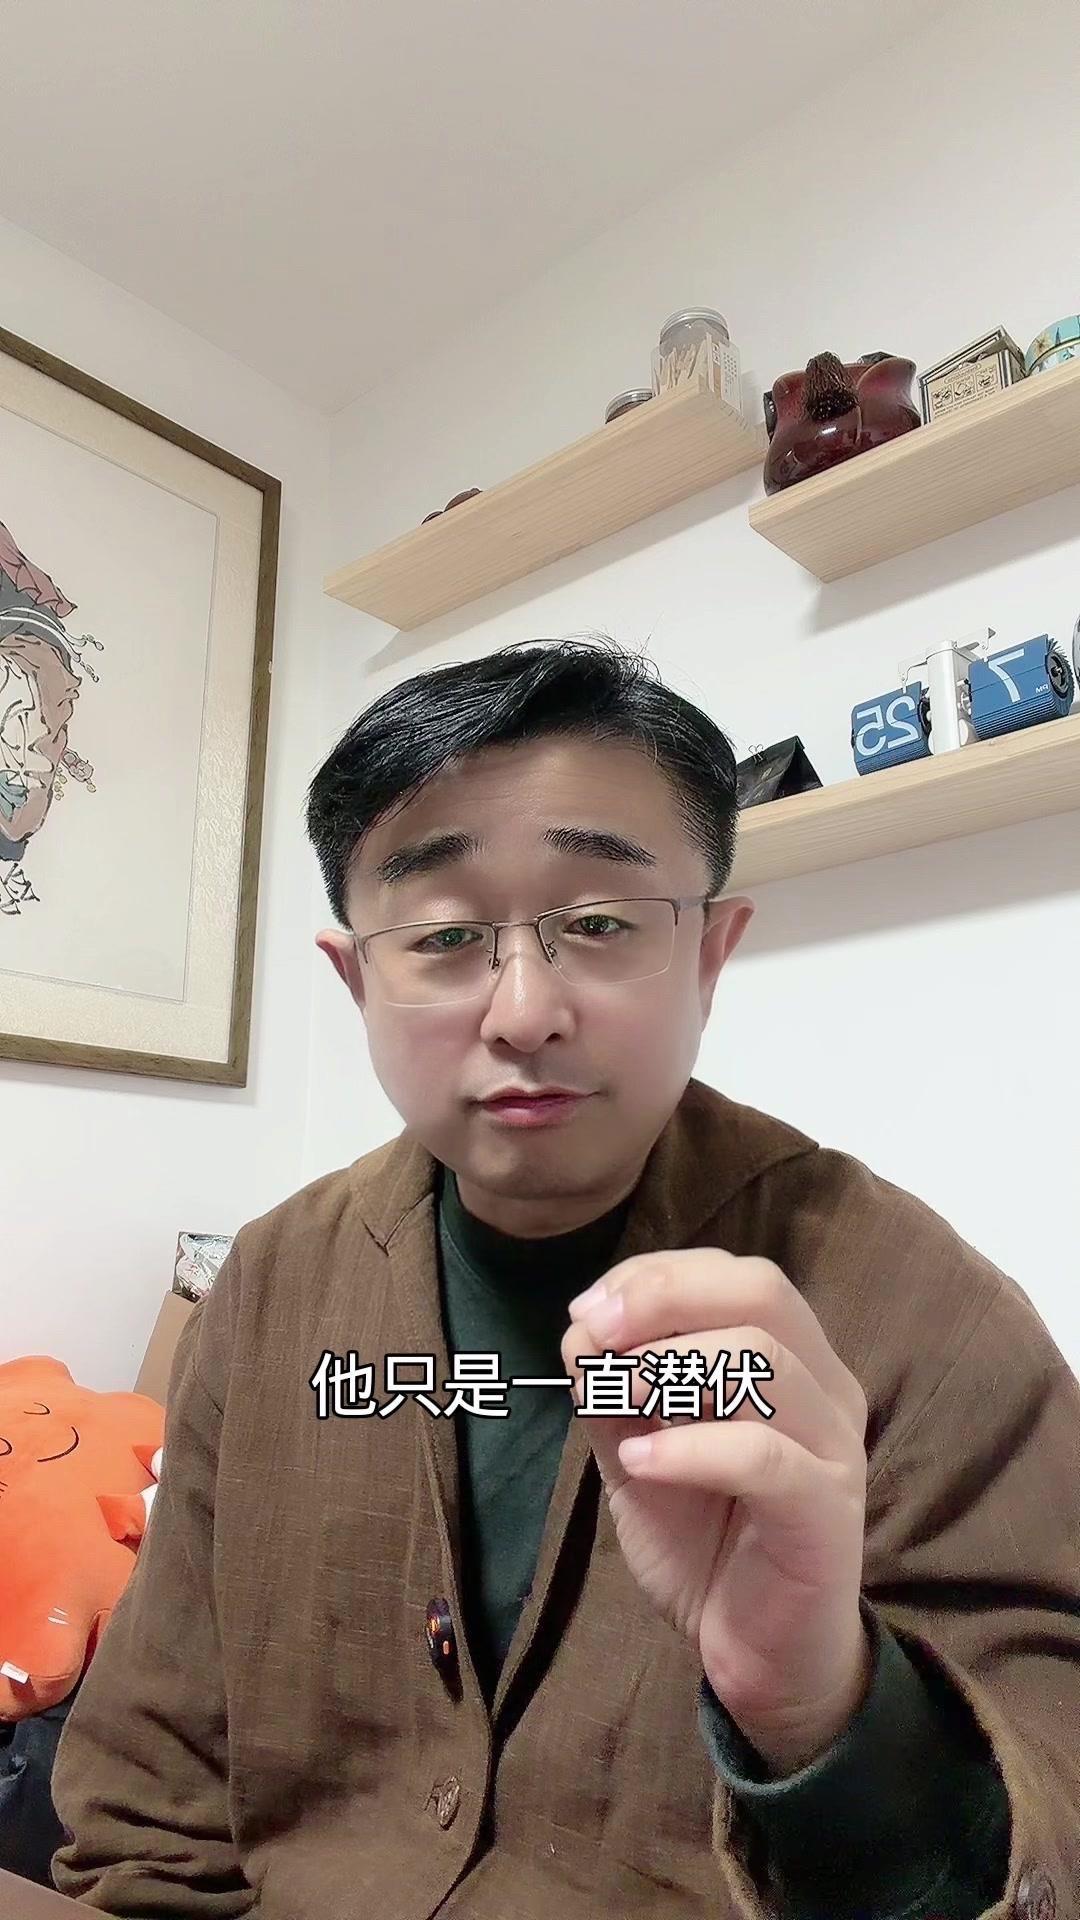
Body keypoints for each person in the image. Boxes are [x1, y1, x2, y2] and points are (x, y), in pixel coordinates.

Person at [51, 637, 1079, 1920]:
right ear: (356, 978)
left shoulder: (925, 1313)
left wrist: (822, 1704)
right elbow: (149, 1798)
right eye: (443, 936)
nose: (524, 1010)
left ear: (709, 955)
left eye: (599, 924)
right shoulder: (269, 1287)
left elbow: (1051, 1821)